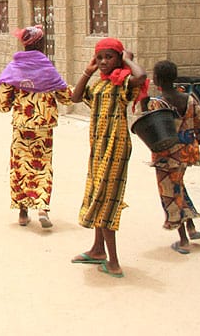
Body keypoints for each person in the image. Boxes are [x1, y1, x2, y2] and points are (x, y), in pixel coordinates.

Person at [70, 37, 147, 279]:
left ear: (118, 58)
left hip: (115, 147)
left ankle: (113, 263)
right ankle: (97, 250)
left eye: (109, 57)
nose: (103, 62)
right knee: (96, 193)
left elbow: (142, 77)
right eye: (100, 57)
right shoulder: (101, 86)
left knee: (106, 201)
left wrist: (126, 59)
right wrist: (88, 71)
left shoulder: (123, 83)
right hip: (98, 148)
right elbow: (75, 97)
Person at [0, 25, 72, 228]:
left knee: (20, 165)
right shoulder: (47, 68)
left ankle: (22, 213)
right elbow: (66, 96)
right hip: (44, 127)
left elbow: (4, 101)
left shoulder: (15, 67)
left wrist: (13, 101)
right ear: (41, 44)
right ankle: (43, 208)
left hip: (21, 126)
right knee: (42, 164)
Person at [145, 60, 200, 255]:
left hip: (167, 155)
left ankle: (183, 240)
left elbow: (151, 127)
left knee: (170, 193)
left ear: (157, 78)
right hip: (186, 151)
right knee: (178, 187)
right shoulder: (190, 98)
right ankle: (191, 226)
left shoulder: (159, 103)